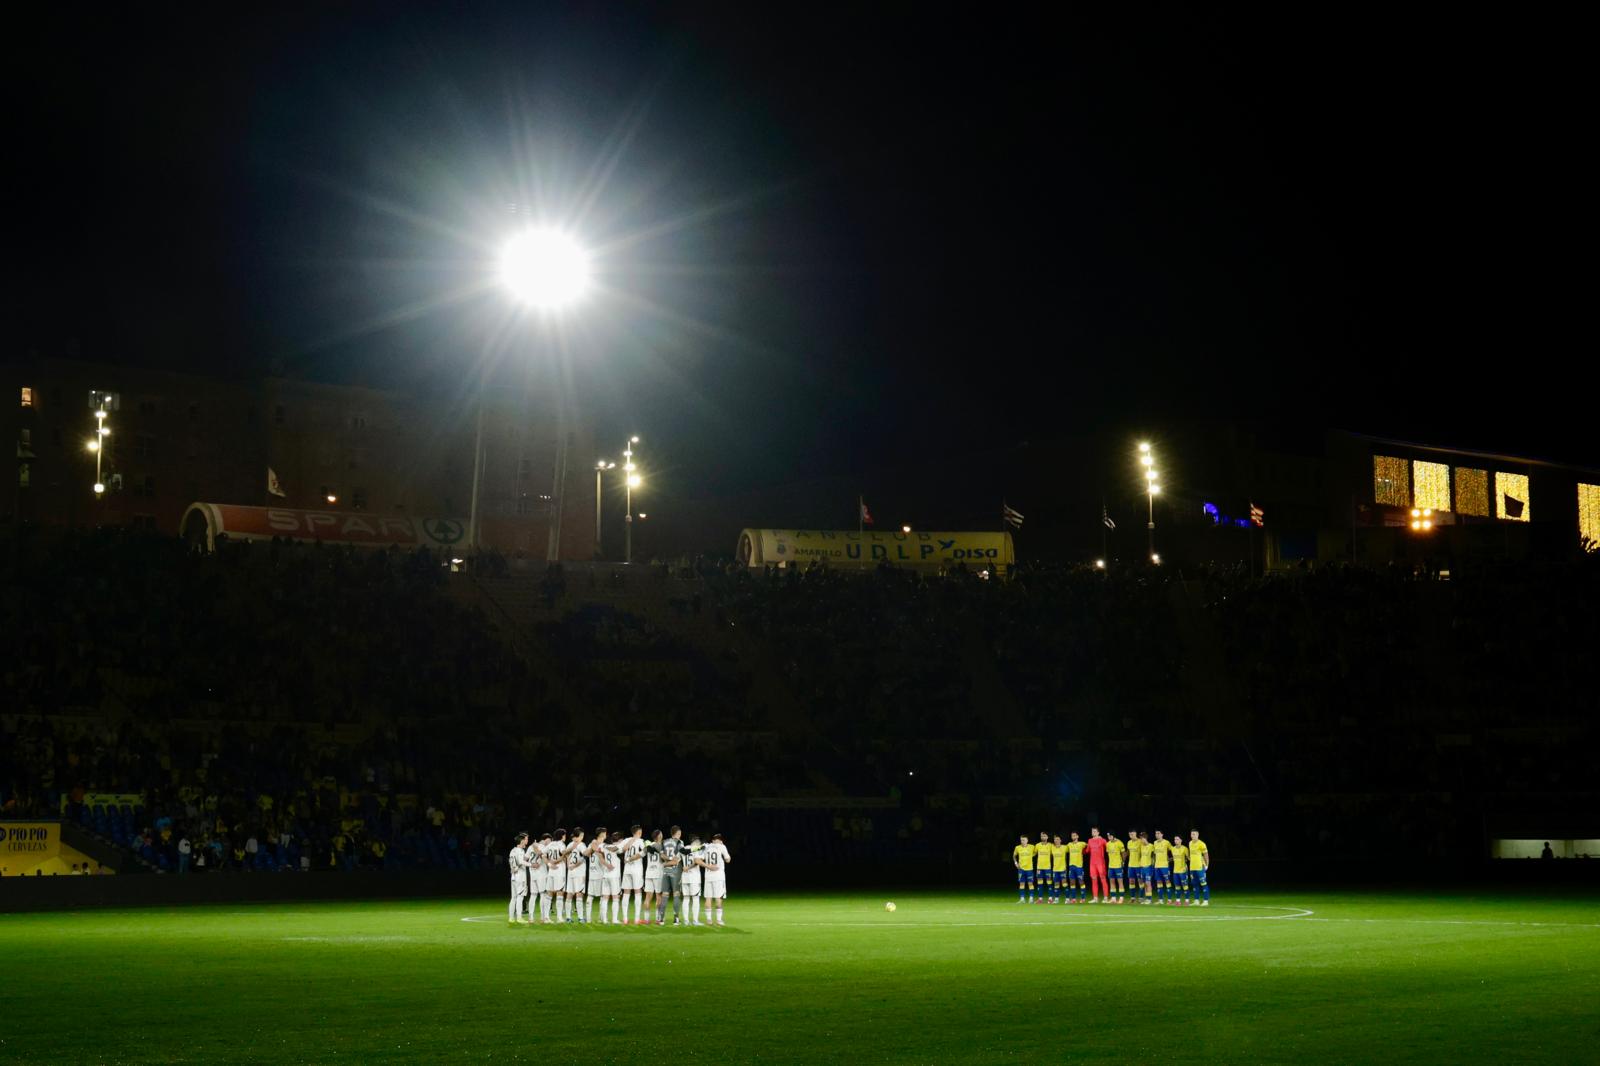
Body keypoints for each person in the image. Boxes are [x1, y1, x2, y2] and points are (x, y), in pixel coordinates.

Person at [656, 826, 685, 925]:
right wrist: (671, 861)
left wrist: (666, 862)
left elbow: (662, 855)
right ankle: (676, 919)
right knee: (676, 894)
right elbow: (676, 860)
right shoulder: (679, 843)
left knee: (664, 895)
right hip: (675, 871)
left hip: (665, 871)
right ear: (678, 833)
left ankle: (661, 919)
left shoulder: (664, 841)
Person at [620, 825, 648, 925]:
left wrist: (627, 859)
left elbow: (621, 850)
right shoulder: (640, 841)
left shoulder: (626, 840)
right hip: (636, 870)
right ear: (639, 832)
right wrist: (632, 858)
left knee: (626, 893)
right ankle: (637, 919)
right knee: (637, 892)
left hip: (627, 869)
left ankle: (625, 919)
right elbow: (644, 852)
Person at [702, 833, 731, 926]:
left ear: (712, 840)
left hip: (708, 876)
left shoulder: (706, 846)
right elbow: (728, 860)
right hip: (718, 876)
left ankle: (709, 920)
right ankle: (718, 920)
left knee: (708, 898)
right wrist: (722, 846)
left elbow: (700, 856)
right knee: (718, 897)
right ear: (720, 840)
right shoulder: (722, 846)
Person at [564, 829, 588, 923]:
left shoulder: (570, 844)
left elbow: (566, 855)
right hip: (579, 872)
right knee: (579, 894)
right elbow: (584, 856)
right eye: (582, 835)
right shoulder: (581, 844)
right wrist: (575, 865)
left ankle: (568, 917)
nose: (583, 837)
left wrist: (568, 866)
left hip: (570, 873)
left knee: (569, 894)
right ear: (580, 836)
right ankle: (581, 917)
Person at [680, 835, 705, 926]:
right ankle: (695, 921)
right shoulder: (697, 849)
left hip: (685, 877)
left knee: (686, 899)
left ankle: (686, 921)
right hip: (694, 877)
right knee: (695, 899)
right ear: (696, 842)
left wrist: (684, 868)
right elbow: (697, 861)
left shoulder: (685, 848)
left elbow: (677, 860)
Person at [642, 830, 665, 925]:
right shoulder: (660, 846)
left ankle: (646, 919)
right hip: (657, 873)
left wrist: (628, 859)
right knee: (658, 896)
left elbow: (640, 854)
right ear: (659, 836)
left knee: (648, 897)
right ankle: (658, 919)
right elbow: (663, 858)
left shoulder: (648, 845)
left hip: (648, 873)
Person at [508, 832, 530, 925]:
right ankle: (519, 917)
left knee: (513, 898)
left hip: (513, 876)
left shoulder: (513, 850)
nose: (527, 841)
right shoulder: (520, 851)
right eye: (526, 839)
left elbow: (512, 863)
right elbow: (521, 862)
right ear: (522, 841)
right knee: (520, 897)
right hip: (520, 877)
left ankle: (511, 918)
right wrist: (532, 864)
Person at [1085, 828, 1108, 903]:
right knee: (1094, 880)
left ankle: (1105, 897)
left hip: (1100, 863)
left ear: (1098, 832)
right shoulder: (1090, 840)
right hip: (1092, 864)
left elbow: (1109, 848)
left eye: (1095, 831)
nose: (1093, 833)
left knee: (1103, 880)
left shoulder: (1103, 840)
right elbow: (1087, 850)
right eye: (1092, 831)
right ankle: (1095, 898)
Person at [1188, 830, 1210, 906]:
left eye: (1194, 834)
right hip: (1192, 867)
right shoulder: (1190, 843)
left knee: (1203, 883)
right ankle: (1196, 901)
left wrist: (1207, 865)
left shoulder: (1201, 844)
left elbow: (1206, 855)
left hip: (1200, 867)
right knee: (1194, 884)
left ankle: (1206, 901)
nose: (1192, 836)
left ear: (1197, 835)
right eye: (1191, 834)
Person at [1012, 834, 1036, 903]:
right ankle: (1022, 899)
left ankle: (1031, 898)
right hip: (1021, 869)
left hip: (1029, 869)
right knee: (1021, 884)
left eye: (1024, 840)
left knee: (1030, 883)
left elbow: (1035, 853)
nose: (1022, 841)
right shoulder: (1017, 847)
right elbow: (1014, 856)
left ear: (1027, 840)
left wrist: (1031, 856)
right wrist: (1016, 863)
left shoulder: (1032, 847)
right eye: (1021, 840)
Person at [1149, 831, 1172, 904]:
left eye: (1159, 833)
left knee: (1167, 882)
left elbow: (1173, 850)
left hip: (1165, 865)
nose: (1157, 835)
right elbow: (1154, 854)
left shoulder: (1167, 842)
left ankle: (1169, 900)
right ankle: (1160, 900)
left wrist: (1170, 859)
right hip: (1157, 866)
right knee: (1159, 882)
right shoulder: (1155, 843)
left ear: (1162, 834)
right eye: (1156, 834)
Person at [1065, 832, 1087, 903]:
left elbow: (1088, 847)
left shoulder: (1082, 844)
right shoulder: (1069, 845)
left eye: (1075, 835)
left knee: (1081, 882)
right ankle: (1074, 899)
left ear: (1078, 836)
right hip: (1071, 866)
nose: (1073, 837)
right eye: (1072, 836)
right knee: (1072, 882)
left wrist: (1084, 852)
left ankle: (1083, 898)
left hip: (1079, 867)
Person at [1105, 832, 1126, 904]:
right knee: (1112, 882)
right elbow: (1108, 854)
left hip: (1118, 866)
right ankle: (1113, 898)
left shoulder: (1119, 843)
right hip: (1111, 866)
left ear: (1114, 836)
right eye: (1108, 836)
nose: (1109, 837)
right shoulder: (1107, 844)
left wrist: (1123, 862)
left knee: (1120, 882)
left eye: (1110, 836)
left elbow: (1123, 853)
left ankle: (1121, 898)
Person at [1170, 835, 1190, 906]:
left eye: (1177, 839)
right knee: (1177, 886)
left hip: (1183, 870)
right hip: (1175, 871)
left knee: (1185, 886)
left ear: (1181, 840)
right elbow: (1173, 858)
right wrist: (1169, 859)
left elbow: (1188, 858)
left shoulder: (1185, 848)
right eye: (1175, 839)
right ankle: (1178, 901)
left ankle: (1187, 901)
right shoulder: (1173, 848)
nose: (1176, 841)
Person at [1126, 830, 1145, 905]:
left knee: (1140, 881)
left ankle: (1141, 898)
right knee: (1131, 881)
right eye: (1130, 834)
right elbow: (1128, 852)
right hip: (1130, 865)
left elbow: (1144, 852)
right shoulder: (1129, 842)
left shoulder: (1140, 841)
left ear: (1136, 834)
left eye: (1133, 834)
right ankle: (1132, 898)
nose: (1131, 835)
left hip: (1138, 865)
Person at [1048, 834, 1066, 903]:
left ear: (1061, 840)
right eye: (1055, 839)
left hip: (1062, 869)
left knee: (1064, 884)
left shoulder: (1065, 847)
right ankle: (1056, 899)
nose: (1056, 840)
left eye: (1058, 839)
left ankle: (1067, 899)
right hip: (1055, 869)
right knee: (1056, 884)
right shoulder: (1052, 847)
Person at [1035, 831, 1052, 903]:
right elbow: (1033, 854)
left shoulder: (1051, 845)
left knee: (1049, 883)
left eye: (1044, 836)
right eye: (1042, 836)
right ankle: (1040, 899)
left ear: (1047, 837)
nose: (1043, 837)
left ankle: (1050, 899)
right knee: (1040, 884)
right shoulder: (1037, 845)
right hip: (1039, 868)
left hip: (1047, 867)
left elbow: (1053, 854)